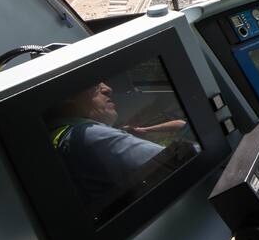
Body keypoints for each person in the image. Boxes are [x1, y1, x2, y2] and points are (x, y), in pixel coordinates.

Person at [46, 81, 190, 213]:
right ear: (68, 96)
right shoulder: (89, 136)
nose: (108, 89)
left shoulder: (60, 134)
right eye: (93, 84)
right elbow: (183, 162)